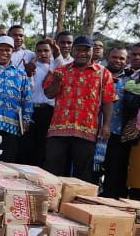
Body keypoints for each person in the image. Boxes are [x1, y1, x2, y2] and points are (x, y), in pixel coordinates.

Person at [43, 35, 115, 182]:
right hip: (59, 129)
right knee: (53, 170)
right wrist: (56, 81)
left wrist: (106, 125)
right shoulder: (61, 70)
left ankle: (77, 202)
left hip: (87, 130)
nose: (82, 53)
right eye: (78, 50)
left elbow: (108, 100)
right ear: (73, 51)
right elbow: (49, 94)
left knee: (83, 172)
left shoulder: (103, 73)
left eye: (86, 50)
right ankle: (52, 202)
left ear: (92, 51)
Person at [100, 47, 132, 198]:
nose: (117, 61)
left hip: (118, 132)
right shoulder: (97, 74)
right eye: (114, 57)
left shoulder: (131, 82)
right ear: (108, 57)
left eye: (121, 59)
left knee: (114, 170)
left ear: (127, 62)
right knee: (92, 169)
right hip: (94, 129)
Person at [20, 39, 56, 166]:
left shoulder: (56, 67)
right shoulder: (30, 66)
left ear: (51, 52)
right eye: (39, 51)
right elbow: (28, 89)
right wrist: (29, 74)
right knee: (28, 145)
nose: (43, 53)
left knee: (44, 145)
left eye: (46, 50)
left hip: (49, 111)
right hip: (31, 110)